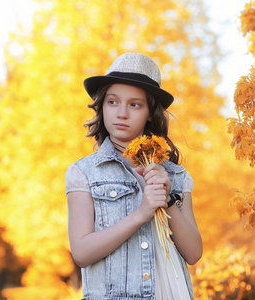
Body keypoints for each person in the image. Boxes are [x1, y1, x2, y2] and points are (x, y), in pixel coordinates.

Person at [65, 53, 202, 300]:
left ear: (150, 112)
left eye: (135, 104)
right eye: (112, 102)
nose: (122, 113)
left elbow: (193, 253)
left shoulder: (176, 175)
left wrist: (168, 199)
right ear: (102, 106)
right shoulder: (83, 173)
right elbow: (82, 252)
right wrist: (141, 214)